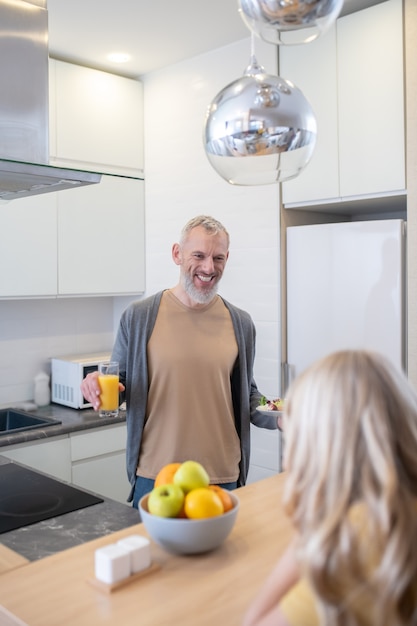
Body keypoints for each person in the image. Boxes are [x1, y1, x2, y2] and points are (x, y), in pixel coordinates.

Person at [81, 215, 278, 509]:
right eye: (198, 255)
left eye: (218, 257)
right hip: (156, 476)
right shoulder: (138, 317)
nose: (209, 267)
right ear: (177, 254)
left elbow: (247, 395)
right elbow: (118, 386)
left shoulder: (241, 323)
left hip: (221, 476)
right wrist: (95, 386)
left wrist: (279, 414)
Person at [243, 350, 417, 626]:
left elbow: (254, 622)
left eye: (296, 439)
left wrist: (311, 532)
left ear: (328, 446)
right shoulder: (399, 505)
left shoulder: (361, 542)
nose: (287, 460)